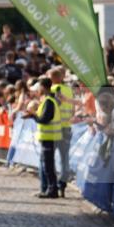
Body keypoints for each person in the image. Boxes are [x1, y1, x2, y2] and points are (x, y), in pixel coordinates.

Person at [24, 77, 61, 198]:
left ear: (43, 87)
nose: (37, 90)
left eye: (39, 87)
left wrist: (33, 116)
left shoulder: (49, 101)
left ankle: (52, 190)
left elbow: (45, 119)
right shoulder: (47, 100)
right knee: (47, 164)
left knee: (48, 165)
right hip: (48, 138)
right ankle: (49, 189)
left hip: (49, 138)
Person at [49, 66, 75, 197]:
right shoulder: (69, 90)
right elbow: (73, 110)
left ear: (54, 78)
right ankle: (63, 185)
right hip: (67, 127)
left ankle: (53, 185)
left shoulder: (52, 89)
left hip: (54, 128)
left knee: (50, 158)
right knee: (65, 159)